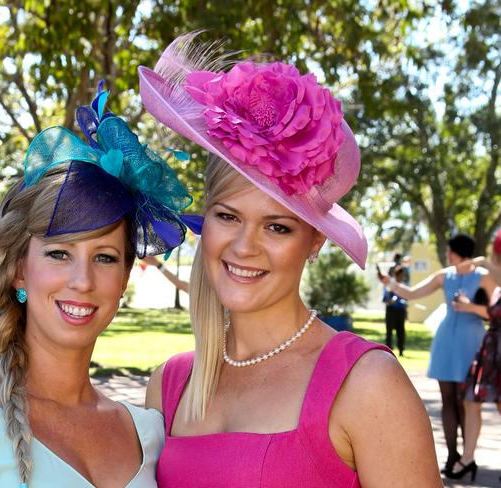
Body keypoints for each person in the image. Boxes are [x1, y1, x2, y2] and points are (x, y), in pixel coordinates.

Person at [138, 32, 442, 487]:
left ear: (315, 241)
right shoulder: (168, 385)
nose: (244, 246)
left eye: (277, 226)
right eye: (228, 216)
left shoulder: (367, 384)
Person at [0, 85, 200, 487]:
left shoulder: (147, 434)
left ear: (123, 279)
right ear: (20, 270)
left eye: (104, 257)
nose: (82, 281)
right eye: (59, 254)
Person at [379, 233, 497, 475]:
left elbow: (495, 312)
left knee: (465, 402)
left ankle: (467, 457)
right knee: (447, 400)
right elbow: (411, 293)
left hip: (471, 341)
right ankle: (452, 456)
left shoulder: (484, 277)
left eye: (449, 250)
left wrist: (470, 307)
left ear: (456, 251)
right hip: (446, 341)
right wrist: (388, 283)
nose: (446, 254)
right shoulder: (445, 276)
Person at [445, 229, 501, 482]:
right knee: (470, 401)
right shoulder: (494, 280)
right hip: (492, 347)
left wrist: (482, 262)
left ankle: (467, 459)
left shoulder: (492, 274)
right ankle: (467, 459)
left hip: (496, 349)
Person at [383, 266, 408, 356]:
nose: (402, 278)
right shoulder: (390, 285)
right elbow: (385, 299)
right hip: (391, 310)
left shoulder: (403, 286)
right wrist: (390, 301)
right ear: (396, 275)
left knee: (401, 331)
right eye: (400, 276)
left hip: (400, 310)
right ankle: (388, 350)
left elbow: (407, 297)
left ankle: (401, 350)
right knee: (389, 331)